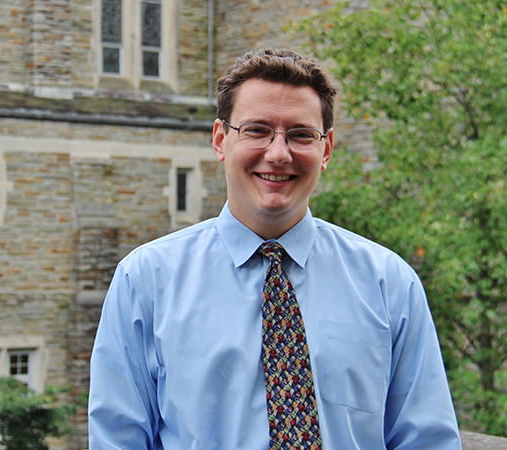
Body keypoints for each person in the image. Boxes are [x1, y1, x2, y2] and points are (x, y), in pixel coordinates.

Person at [88, 48, 461, 450]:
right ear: (220, 140)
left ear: (327, 148)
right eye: (257, 130)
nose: (279, 153)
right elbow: (118, 440)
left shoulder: (389, 283)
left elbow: (427, 441)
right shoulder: (145, 281)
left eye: (300, 134)